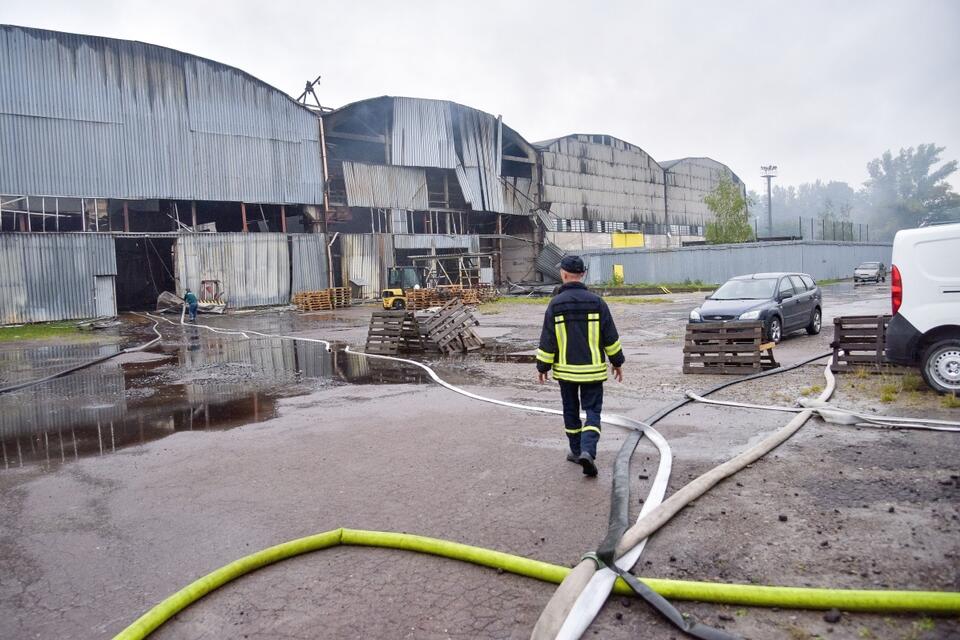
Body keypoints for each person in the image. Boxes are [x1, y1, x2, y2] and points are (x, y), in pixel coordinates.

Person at [536, 255, 624, 477]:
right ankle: (588, 450)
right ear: (583, 274)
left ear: (563, 274)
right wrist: (617, 362)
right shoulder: (597, 303)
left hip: (566, 372)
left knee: (570, 410)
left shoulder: (555, 305)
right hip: (593, 371)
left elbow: (548, 339)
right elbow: (610, 337)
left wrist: (542, 366)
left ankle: (576, 451)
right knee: (593, 412)